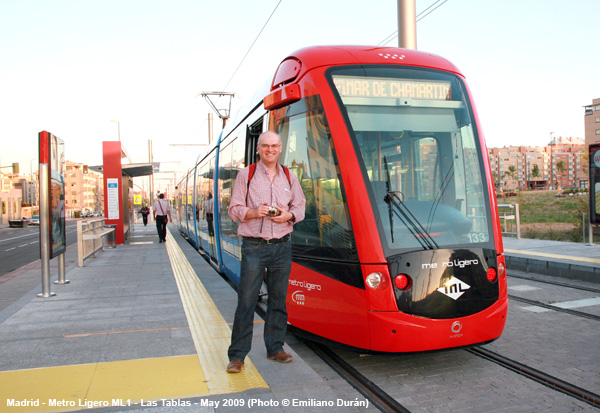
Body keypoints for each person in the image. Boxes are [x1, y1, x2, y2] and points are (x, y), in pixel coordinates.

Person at [225, 131, 306, 374]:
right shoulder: (246, 175)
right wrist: (254, 212)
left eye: (274, 146)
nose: (270, 150)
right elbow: (234, 208)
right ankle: (237, 356)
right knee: (246, 301)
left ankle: (275, 348)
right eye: (265, 146)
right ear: (259, 149)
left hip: (282, 245)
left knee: (278, 300)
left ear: (280, 148)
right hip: (254, 246)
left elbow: (300, 207)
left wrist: (288, 216)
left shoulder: (290, 176)